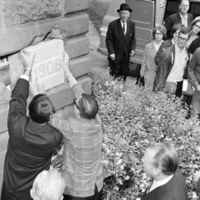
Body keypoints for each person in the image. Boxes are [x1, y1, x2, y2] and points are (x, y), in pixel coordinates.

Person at [1, 51, 63, 200]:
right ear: (48, 117)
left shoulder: (17, 125)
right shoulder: (54, 137)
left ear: (29, 110)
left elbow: (17, 99)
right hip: (33, 192)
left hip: (11, 189)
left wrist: (28, 69)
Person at [49, 60, 103, 200]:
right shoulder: (96, 120)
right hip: (97, 185)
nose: (75, 102)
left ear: (78, 112)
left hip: (78, 191)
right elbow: (80, 94)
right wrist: (67, 71)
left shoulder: (72, 128)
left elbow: (50, 117)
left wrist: (35, 91)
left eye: (75, 104)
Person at [153, 26, 190, 97]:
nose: (182, 41)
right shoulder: (167, 53)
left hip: (180, 84)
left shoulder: (187, 53)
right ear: (177, 37)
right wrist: (158, 90)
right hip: (169, 83)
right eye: (181, 38)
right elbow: (161, 74)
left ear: (187, 40)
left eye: (185, 39)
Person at [106, 3, 135, 81]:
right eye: (122, 13)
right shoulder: (112, 25)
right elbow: (108, 40)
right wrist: (111, 52)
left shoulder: (131, 24)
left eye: (126, 13)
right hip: (115, 56)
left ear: (129, 14)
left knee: (123, 75)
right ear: (119, 14)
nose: (124, 15)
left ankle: (121, 90)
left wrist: (132, 49)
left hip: (125, 56)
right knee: (114, 76)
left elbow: (132, 38)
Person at [140, 25, 166, 90]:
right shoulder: (148, 46)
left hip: (160, 77)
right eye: (157, 33)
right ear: (154, 34)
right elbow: (144, 61)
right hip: (149, 75)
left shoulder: (166, 47)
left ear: (163, 35)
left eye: (160, 34)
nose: (158, 36)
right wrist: (142, 75)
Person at [187, 47, 200, 117]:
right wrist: (196, 84)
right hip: (198, 91)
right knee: (193, 117)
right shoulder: (198, 51)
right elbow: (190, 69)